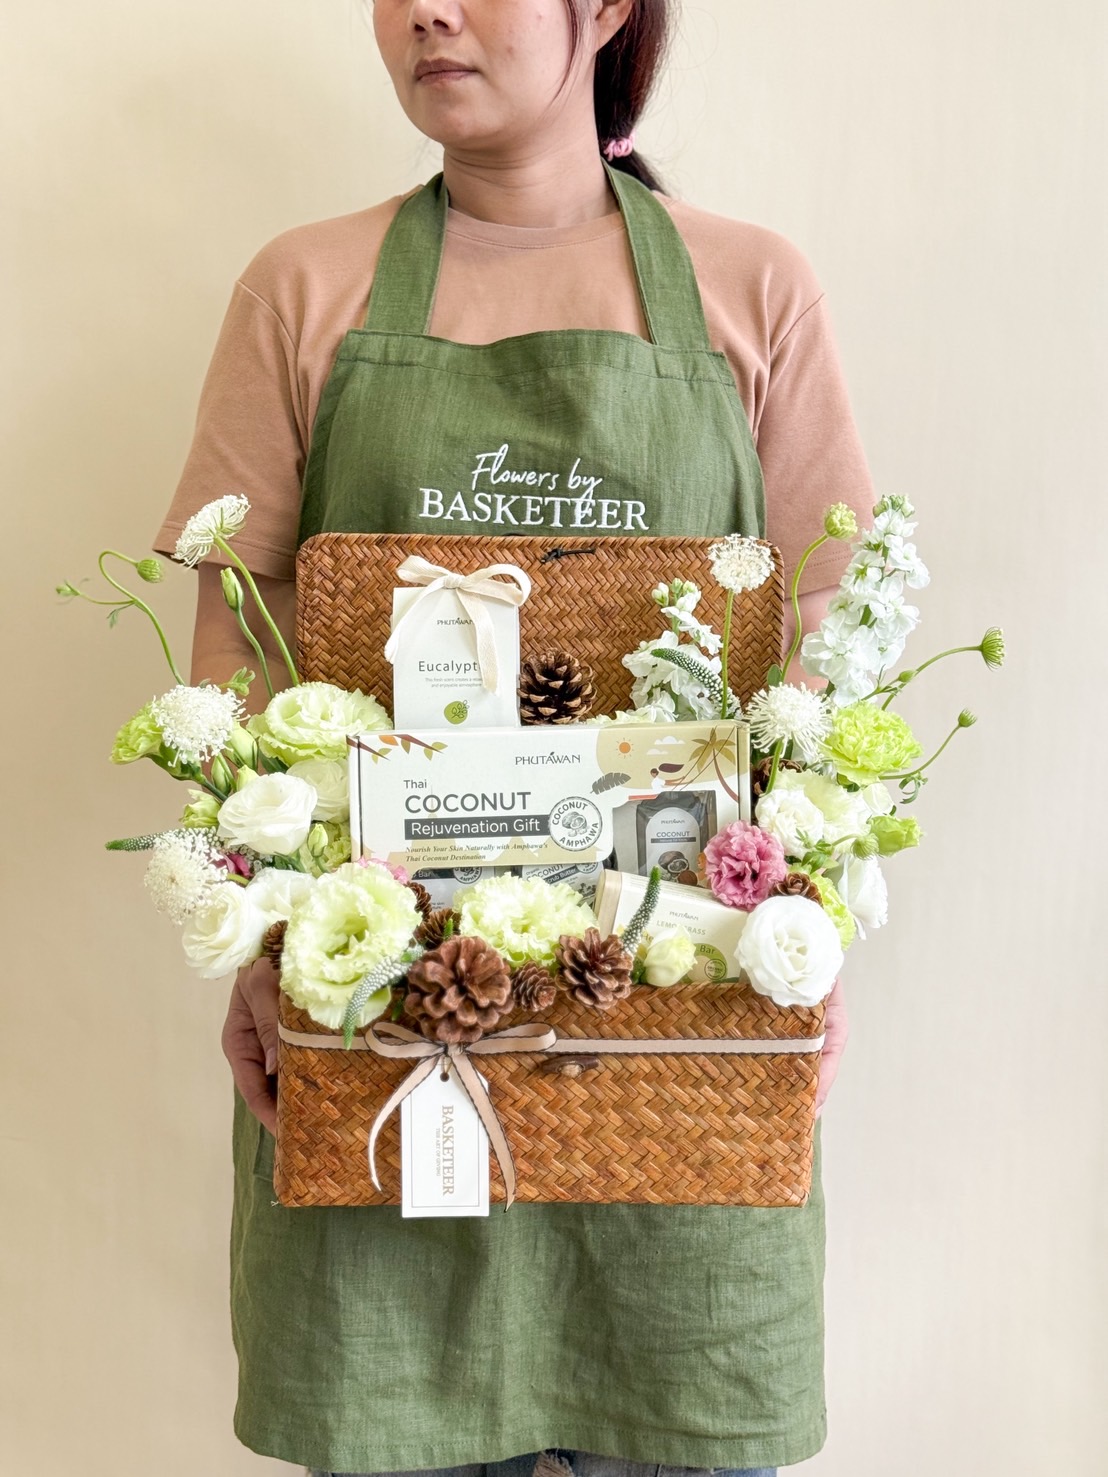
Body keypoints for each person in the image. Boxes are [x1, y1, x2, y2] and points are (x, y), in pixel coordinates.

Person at [157, 2, 868, 1473]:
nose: (427, 10)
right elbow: (237, 643)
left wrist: (812, 935)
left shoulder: (752, 286)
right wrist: (249, 936)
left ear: (604, 8)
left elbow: (831, 649)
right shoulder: (304, 287)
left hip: (679, 1025)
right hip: (390, 1018)